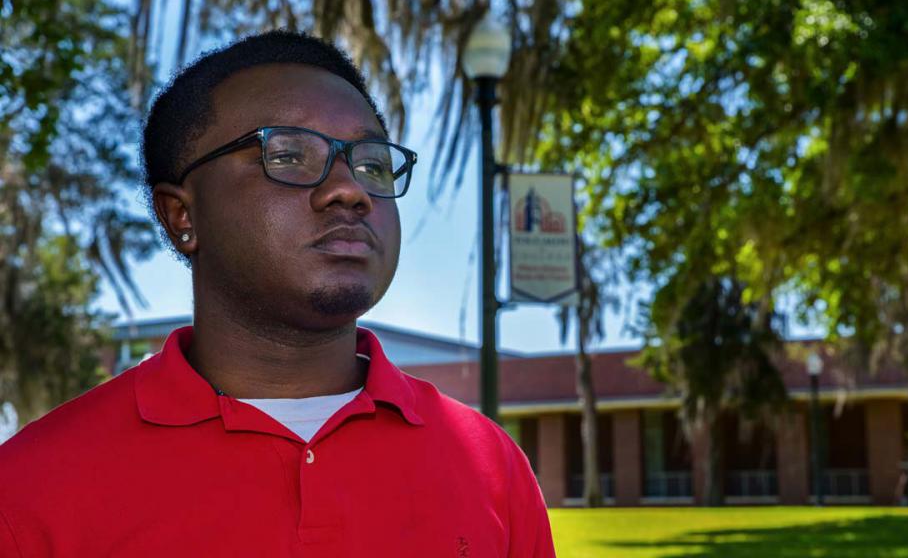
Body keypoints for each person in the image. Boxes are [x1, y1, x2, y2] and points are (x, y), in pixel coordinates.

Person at [0, 30, 556, 557]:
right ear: (181, 216)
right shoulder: (31, 488)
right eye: (288, 155)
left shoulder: (490, 463)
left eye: (372, 164)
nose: (349, 190)